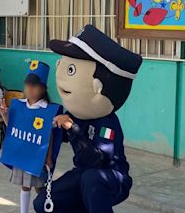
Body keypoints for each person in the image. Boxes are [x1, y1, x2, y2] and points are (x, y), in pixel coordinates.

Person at [33, 25, 142, 213]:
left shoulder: (107, 124)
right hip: (82, 174)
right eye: (63, 64)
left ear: (98, 86)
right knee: (42, 203)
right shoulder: (74, 113)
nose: (60, 73)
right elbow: (56, 137)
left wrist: (74, 129)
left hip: (112, 176)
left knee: (92, 181)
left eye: (71, 69)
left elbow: (97, 159)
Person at [0, 61, 62, 213]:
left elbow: (49, 135)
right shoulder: (18, 105)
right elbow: (13, 130)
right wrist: (5, 115)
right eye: (28, 84)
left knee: (41, 187)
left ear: (43, 88)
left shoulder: (48, 110)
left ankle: (46, 209)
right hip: (22, 154)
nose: (30, 88)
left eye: (35, 85)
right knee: (25, 185)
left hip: (37, 156)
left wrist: (48, 157)